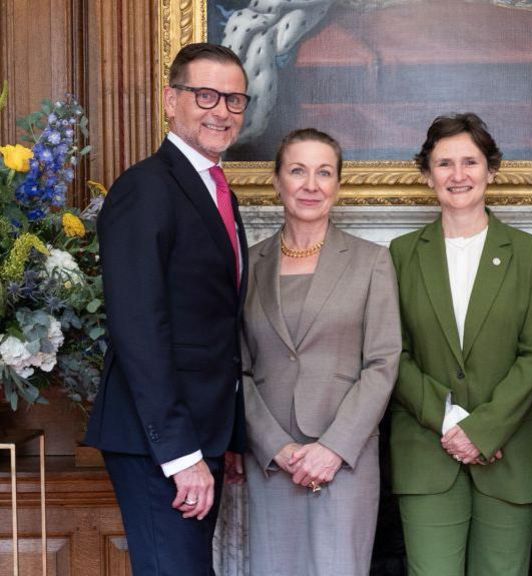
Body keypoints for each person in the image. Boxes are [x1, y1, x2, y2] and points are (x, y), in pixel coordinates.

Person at [85, 43, 250, 574]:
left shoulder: (213, 188)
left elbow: (215, 322)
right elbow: (140, 329)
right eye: (206, 95)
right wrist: (181, 456)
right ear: (169, 101)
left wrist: (226, 437)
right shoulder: (146, 188)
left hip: (200, 436)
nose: (221, 111)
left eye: (234, 99)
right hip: (161, 442)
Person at [388, 113, 532, 576]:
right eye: (444, 164)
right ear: (426, 175)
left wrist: (483, 431)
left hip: (510, 456)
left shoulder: (531, 254)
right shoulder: (401, 255)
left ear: (491, 170)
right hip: (425, 454)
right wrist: (452, 422)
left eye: (470, 162)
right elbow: (392, 352)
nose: (457, 176)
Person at [240, 128, 401, 575]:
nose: (311, 184)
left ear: (337, 185)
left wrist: (332, 448)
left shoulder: (372, 261)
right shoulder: (247, 265)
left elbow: (383, 363)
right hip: (272, 463)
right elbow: (238, 369)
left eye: (323, 172)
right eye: (297, 170)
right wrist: (275, 447)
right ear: (276, 181)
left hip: (343, 461)